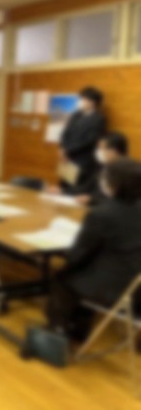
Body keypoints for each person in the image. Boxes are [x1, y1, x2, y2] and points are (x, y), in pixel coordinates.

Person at [46, 159, 141, 342]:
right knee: (85, 272)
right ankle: (78, 329)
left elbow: (78, 255)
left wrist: (67, 256)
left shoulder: (102, 214)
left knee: (63, 277)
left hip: (115, 289)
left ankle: (58, 332)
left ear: (114, 184)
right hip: (137, 288)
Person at [59, 87, 106, 192]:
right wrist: (62, 148)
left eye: (83, 99)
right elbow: (65, 133)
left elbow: (90, 140)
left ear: (92, 102)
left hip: (83, 160)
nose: (80, 102)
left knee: (75, 189)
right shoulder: (76, 115)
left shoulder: (98, 118)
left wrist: (68, 150)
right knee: (64, 186)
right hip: (67, 158)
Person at [73, 132, 128, 206]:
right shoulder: (102, 167)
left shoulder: (126, 171)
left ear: (114, 151)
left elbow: (117, 197)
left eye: (101, 148)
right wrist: (64, 191)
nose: (98, 152)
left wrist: (92, 199)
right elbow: (87, 186)